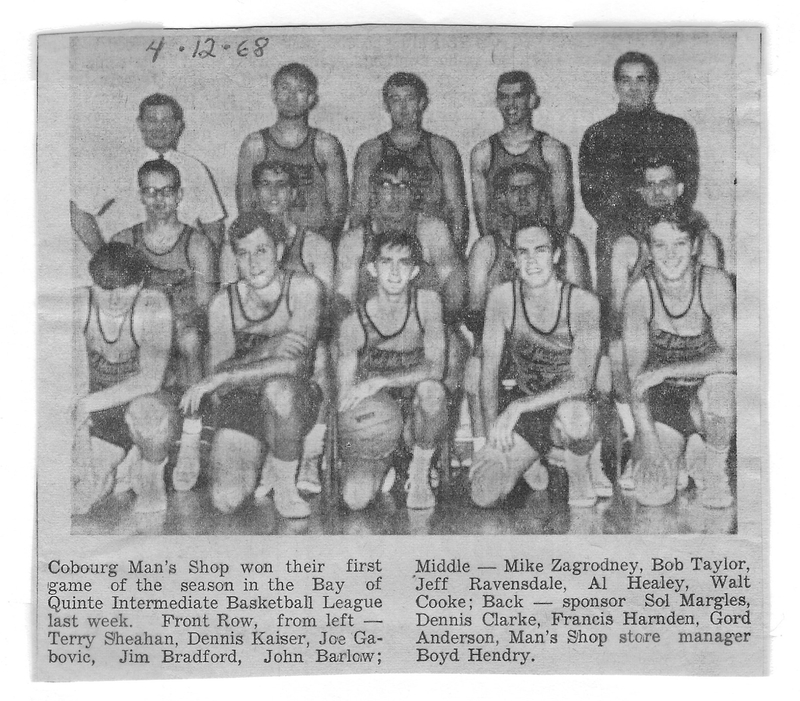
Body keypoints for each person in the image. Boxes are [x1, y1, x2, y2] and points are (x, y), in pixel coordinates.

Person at [180, 213, 324, 518]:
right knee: (226, 499)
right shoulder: (224, 303)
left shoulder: (304, 288)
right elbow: (219, 382)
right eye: (243, 254)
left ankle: (285, 485)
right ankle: (268, 454)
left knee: (279, 390)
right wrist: (268, 348)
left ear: (279, 251)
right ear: (235, 259)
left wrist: (232, 373)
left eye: (261, 251)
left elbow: (295, 365)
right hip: (244, 400)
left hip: (294, 402)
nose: (253, 263)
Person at [469, 220, 607, 509]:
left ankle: (579, 466)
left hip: (572, 406)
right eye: (524, 252)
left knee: (576, 418)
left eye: (541, 250)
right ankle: (536, 457)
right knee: (484, 493)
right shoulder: (502, 298)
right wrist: (493, 437)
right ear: (514, 259)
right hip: (531, 408)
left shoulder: (583, 303)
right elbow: (488, 373)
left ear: (556, 255)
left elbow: (582, 382)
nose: (532, 261)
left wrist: (518, 407)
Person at [609, 157, 723, 473]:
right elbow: (619, 314)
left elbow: (711, 310)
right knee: (617, 350)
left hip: (694, 350)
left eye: (666, 183)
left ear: (680, 189)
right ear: (641, 192)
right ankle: (637, 438)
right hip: (652, 346)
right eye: (651, 185)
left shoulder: (704, 241)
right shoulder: (627, 246)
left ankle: (698, 439)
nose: (658, 192)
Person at [464, 163, 591, 439]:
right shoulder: (487, 248)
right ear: (502, 198)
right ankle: (486, 446)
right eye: (514, 189)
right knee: (476, 370)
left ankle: (580, 452)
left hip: (559, 350)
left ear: (543, 195)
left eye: (530, 188)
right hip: (509, 345)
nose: (522, 196)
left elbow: (581, 313)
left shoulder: (568, 245)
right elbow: (474, 314)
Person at [112, 158, 215, 492]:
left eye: (166, 191)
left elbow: (206, 306)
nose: (158, 200)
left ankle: (191, 435)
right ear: (140, 195)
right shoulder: (124, 240)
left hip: (184, 331)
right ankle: (135, 443)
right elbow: (114, 301)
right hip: (142, 331)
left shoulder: (197, 243)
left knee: (190, 339)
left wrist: (172, 325)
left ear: (179, 195)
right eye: (150, 192)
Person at [623, 210, 735, 508]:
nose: (670, 255)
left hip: (706, 401)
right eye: (660, 245)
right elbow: (636, 381)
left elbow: (732, 359)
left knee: (723, 386)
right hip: (664, 403)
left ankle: (714, 469)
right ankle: (687, 452)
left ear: (695, 246)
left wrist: (666, 370)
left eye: (680, 244)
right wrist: (651, 448)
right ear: (648, 250)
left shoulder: (714, 283)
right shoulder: (639, 293)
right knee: (652, 494)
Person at [579, 52, 699, 331]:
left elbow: (686, 190)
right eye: (625, 80)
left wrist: (661, 230)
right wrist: (636, 229)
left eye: (641, 80)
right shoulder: (597, 135)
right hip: (621, 229)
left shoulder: (678, 130)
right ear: (616, 85)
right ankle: (618, 336)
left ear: (653, 85)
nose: (633, 88)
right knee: (615, 247)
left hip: (671, 226)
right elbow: (594, 198)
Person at [336, 154, 468, 394]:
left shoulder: (432, 230)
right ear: (373, 193)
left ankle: (437, 414)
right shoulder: (354, 240)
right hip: (371, 335)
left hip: (421, 330)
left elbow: (454, 285)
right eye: (386, 185)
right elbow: (344, 300)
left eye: (403, 186)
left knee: (455, 347)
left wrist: (433, 325)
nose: (394, 194)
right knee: (336, 349)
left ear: (414, 192)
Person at [338, 230, 448, 511]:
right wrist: (358, 440)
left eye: (404, 263)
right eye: (387, 262)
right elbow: (343, 399)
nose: (395, 272)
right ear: (373, 269)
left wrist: (381, 380)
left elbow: (436, 367)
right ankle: (387, 464)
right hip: (378, 422)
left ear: (415, 271)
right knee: (355, 499)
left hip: (415, 421)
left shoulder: (427, 304)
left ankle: (419, 471)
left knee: (432, 391)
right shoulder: (355, 322)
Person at [72, 242, 178, 515]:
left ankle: (151, 468)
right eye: (106, 288)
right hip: (95, 409)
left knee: (148, 413)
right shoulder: (78, 304)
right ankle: (124, 463)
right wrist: (83, 456)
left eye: (125, 288)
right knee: (82, 495)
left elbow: (151, 380)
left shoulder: (152, 304)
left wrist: (85, 405)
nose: (115, 299)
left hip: (140, 402)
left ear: (140, 284)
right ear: (93, 283)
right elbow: (74, 388)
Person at [251, 159, 334, 494]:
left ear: (294, 193)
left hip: (301, 338)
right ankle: (269, 453)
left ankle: (311, 454)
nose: (273, 192)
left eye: (281, 185)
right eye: (265, 184)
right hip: (257, 339)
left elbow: (326, 309)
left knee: (323, 354)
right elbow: (232, 305)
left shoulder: (315, 245)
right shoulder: (239, 243)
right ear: (255, 192)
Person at [71, 93, 226, 253]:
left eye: (166, 121)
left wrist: (205, 262)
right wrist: (103, 257)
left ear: (178, 125)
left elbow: (213, 224)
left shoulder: (195, 169)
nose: (159, 128)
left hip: (182, 261)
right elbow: (78, 211)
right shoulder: (120, 166)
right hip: (133, 260)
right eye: (152, 121)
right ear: (140, 124)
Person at [350, 72, 469, 251]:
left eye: (410, 99)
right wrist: (365, 256)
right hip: (384, 248)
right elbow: (359, 212)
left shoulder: (440, 149)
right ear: (386, 105)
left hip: (430, 247)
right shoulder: (371, 151)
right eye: (396, 99)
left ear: (422, 103)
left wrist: (454, 255)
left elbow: (456, 209)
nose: (403, 107)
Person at [236, 63, 348, 242]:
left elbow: (337, 210)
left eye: (300, 90)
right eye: (285, 88)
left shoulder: (325, 145)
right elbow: (246, 207)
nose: (291, 97)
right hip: (268, 244)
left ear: (311, 98)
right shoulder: (255, 145)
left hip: (314, 242)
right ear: (274, 94)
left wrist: (320, 248)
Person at [471, 71, 574, 238]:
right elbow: (483, 222)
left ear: (531, 100)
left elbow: (562, 215)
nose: (510, 104)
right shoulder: (482, 153)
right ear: (497, 102)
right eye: (504, 97)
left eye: (518, 96)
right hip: (501, 246)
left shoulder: (552, 150)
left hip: (543, 244)